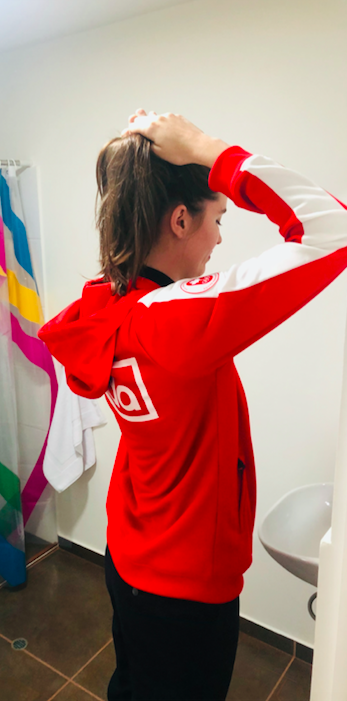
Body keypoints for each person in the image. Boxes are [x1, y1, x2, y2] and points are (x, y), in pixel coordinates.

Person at [38, 111, 347, 700]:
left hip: (128, 553)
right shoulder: (174, 319)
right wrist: (208, 149)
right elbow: (332, 227)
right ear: (180, 219)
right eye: (218, 218)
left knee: (132, 684)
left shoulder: (108, 303)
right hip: (184, 590)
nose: (222, 237)